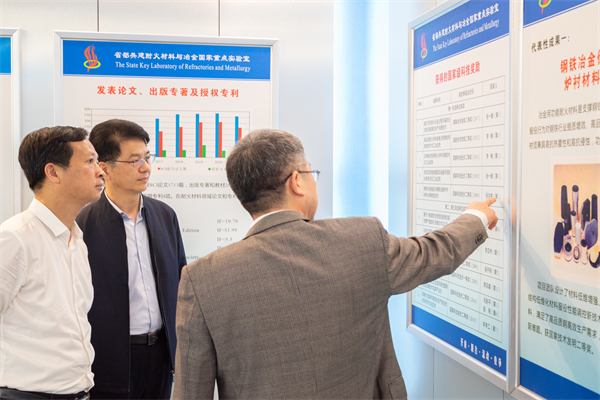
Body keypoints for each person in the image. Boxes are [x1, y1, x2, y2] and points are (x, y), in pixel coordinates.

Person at [173, 128, 498, 399]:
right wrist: (477, 218)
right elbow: (433, 253)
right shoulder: (362, 240)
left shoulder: (202, 280)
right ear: (296, 182)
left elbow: (190, 392)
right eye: (311, 173)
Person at [76, 119, 187, 400]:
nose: (146, 167)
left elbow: (181, 282)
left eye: (147, 158)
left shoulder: (165, 215)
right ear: (104, 167)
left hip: (161, 356)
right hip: (109, 360)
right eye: (135, 160)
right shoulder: (83, 224)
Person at [0, 126, 104, 399]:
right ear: (53, 172)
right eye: (90, 161)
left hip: (77, 392)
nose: (100, 171)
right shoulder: (15, 238)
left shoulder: (76, 239)